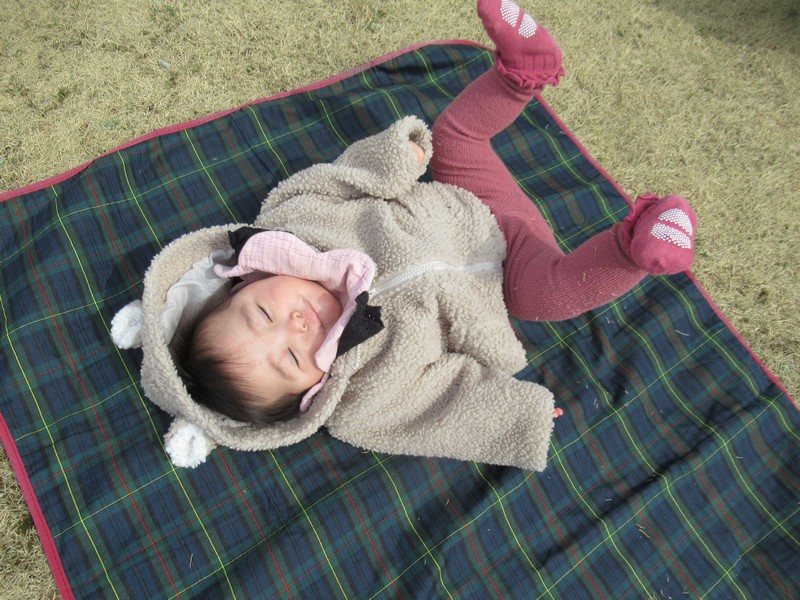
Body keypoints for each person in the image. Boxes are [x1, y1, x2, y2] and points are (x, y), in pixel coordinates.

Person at [117, 0, 696, 470]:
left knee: (456, 135)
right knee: (551, 295)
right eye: (292, 356)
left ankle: (523, 71)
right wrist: (517, 415)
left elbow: (341, 177)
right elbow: (439, 408)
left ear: (242, 282)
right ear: (310, 396)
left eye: (263, 314)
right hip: (504, 275)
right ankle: (638, 247)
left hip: (463, 203)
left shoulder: (296, 222)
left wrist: (397, 158)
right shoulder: (365, 392)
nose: (295, 324)